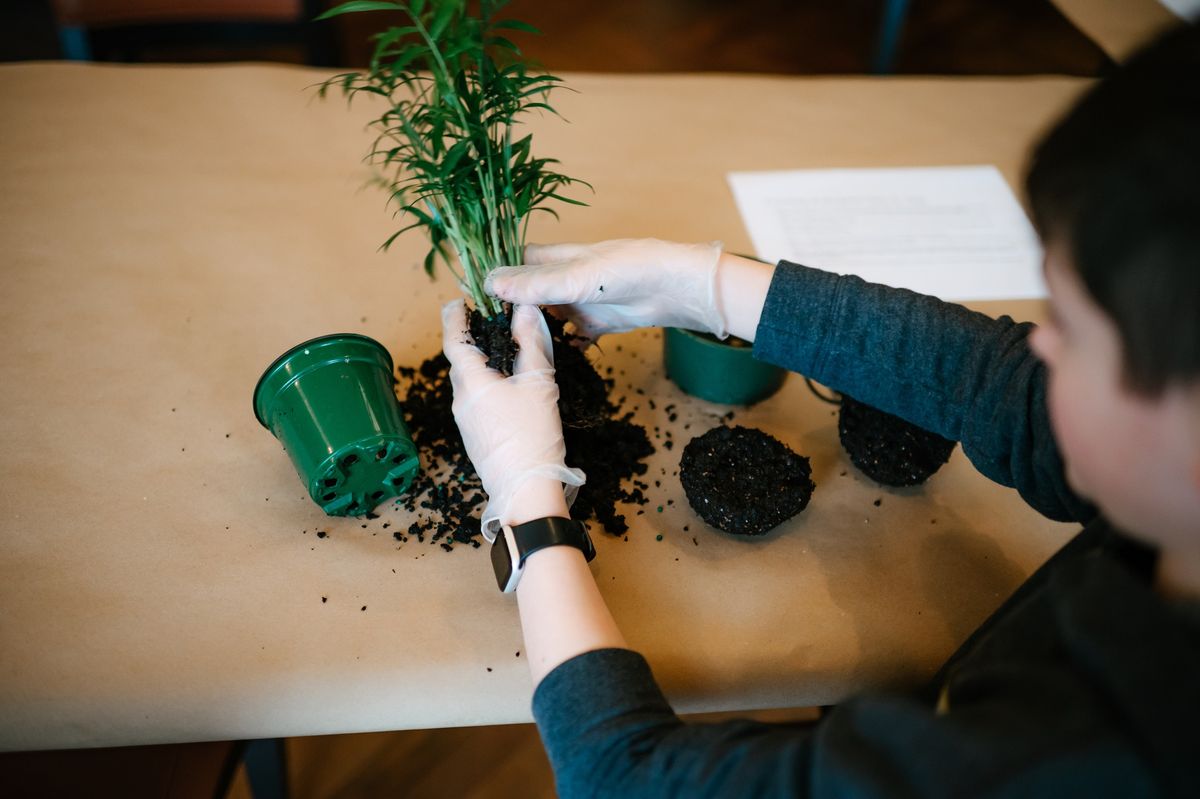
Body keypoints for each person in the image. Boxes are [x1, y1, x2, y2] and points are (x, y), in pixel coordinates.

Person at [439, 24, 1200, 798]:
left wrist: (530, 502)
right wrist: (710, 286)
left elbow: (623, 780)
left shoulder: (1085, 758)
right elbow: (1003, 388)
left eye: (1068, 331)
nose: (1037, 351)